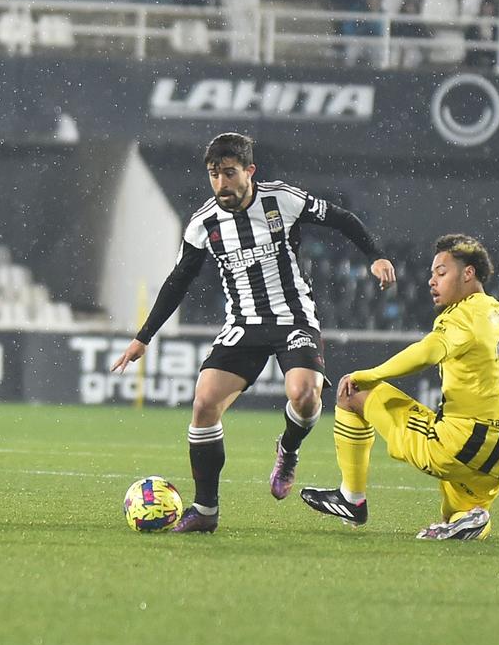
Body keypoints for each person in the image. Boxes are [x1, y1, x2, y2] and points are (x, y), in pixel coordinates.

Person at [108, 132, 397, 533]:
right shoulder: (203, 224)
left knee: (306, 395)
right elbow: (178, 281)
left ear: (249, 171)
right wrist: (144, 337)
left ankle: (288, 448)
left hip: (294, 317)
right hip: (243, 324)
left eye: (229, 173)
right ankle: (205, 512)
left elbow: (342, 220)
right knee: (204, 404)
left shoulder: (282, 199)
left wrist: (376, 255)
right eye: (214, 174)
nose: (221, 183)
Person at [299, 234, 499, 539]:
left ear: (468, 273)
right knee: (459, 515)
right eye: (432, 274)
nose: (432, 281)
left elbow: (428, 351)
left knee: (352, 394)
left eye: (441, 273)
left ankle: (351, 499)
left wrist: (372, 374)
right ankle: (475, 519)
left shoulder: (463, 313)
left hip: (458, 443)